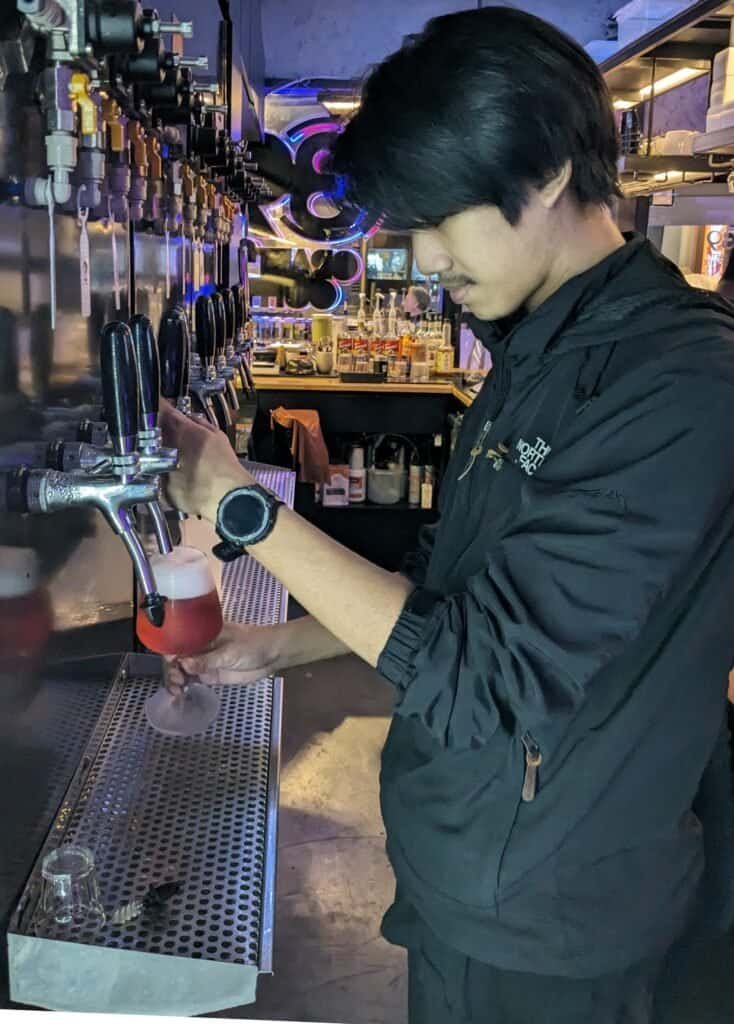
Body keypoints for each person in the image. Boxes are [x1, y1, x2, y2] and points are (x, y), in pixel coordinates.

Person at [161, 8, 734, 1023]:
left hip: (550, 919)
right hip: (468, 867)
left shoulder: (676, 382)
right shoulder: (538, 343)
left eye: (437, 216)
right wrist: (274, 648)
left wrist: (243, 509)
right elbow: (446, 595)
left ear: (549, 169)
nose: (424, 257)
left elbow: (489, 674)